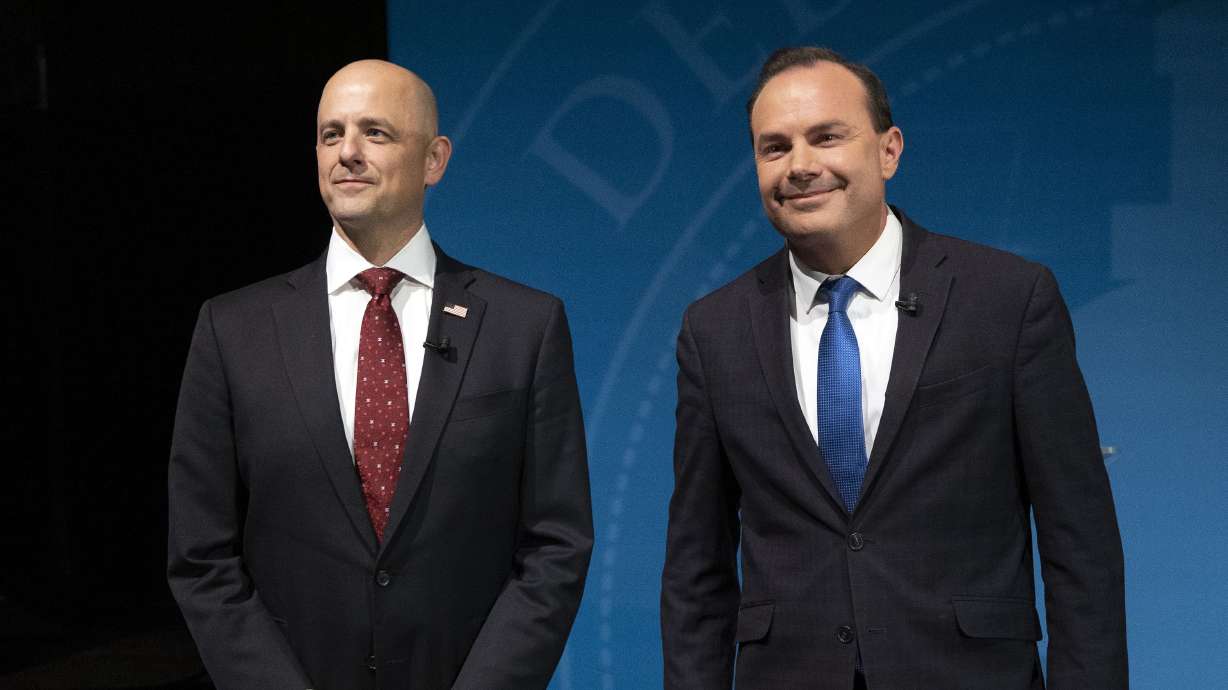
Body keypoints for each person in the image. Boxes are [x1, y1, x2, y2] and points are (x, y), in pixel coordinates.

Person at [660, 47, 1126, 689]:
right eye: (774, 147)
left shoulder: (1009, 299)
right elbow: (696, 568)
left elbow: (1082, 545)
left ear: (888, 150)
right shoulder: (714, 330)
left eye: (827, 136)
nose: (800, 166)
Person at [168, 59, 593, 690]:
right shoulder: (233, 330)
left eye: (376, 133)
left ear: (434, 160)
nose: (348, 153)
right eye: (330, 133)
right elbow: (201, 555)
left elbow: (555, 546)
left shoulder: (523, 326)